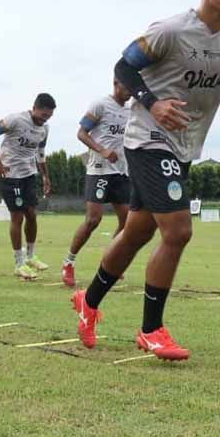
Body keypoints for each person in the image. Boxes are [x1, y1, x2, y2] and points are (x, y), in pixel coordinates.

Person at [71, 0, 220, 361]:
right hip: (148, 139)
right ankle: (151, 328)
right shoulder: (170, 30)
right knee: (179, 231)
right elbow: (123, 68)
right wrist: (152, 102)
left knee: (137, 232)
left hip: (186, 147)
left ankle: (89, 299)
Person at [62, 80, 131, 287]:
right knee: (93, 220)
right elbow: (81, 133)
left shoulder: (131, 111)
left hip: (121, 171)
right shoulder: (99, 105)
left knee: (128, 222)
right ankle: (68, 262)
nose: (129, 93)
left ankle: (110, 262)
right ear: (116, 83)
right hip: (99, 170)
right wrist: (102, 150)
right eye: (127, 87)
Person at [0, 94, 54, 279]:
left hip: (29, 175)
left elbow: (40, 153)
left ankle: (30, 256)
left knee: (32, 215)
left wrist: (45, 176)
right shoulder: (15, 119)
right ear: (34, 107)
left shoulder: (44, 129)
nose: (44, 119)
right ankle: (18, 263)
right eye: (42, 115)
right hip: (10, 175)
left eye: (48, 116)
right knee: (17, 217)